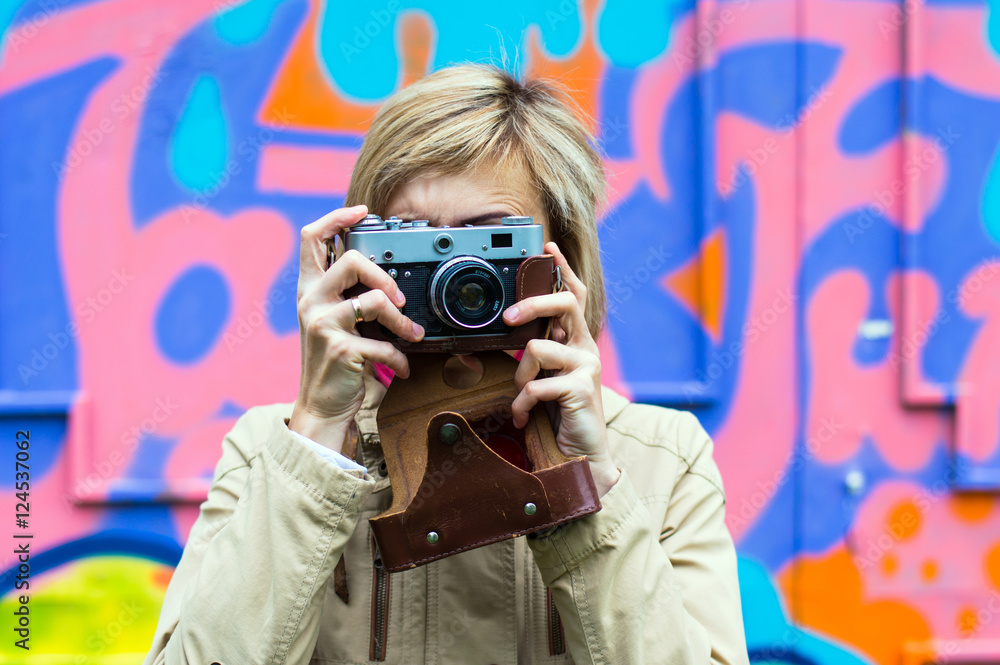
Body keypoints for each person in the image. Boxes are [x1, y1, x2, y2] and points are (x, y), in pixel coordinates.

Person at [144, 64, 749, 665]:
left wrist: (583, 485)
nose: (453, 280)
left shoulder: (660, 459)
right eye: (413, 240)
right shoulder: (271, 453)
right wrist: (319, 439)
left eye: (489, 242)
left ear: (558, 258)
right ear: (357, 258)